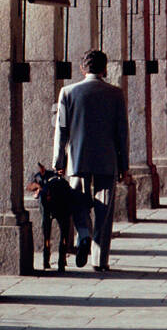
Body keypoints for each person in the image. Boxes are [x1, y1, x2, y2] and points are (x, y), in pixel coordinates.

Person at [52, 49, 130, 271]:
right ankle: (100, 259)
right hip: (107, 159)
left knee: (77, 202)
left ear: (81, 68)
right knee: (104, 210)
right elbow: (122, 133)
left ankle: (83, 233)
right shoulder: (116, 94)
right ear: (105, 69)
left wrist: (58, 162)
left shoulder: (67, 92)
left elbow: (61, 130)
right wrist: (124, 165)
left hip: (77, 159)